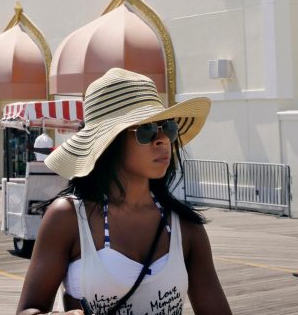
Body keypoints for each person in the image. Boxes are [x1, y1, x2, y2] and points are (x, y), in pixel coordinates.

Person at [16, 69, 232, 315]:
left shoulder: (185, 227)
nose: (162, 140)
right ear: (109, 142)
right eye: (146, 130)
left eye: (168, 128)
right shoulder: (68, 218)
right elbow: (28, 310)